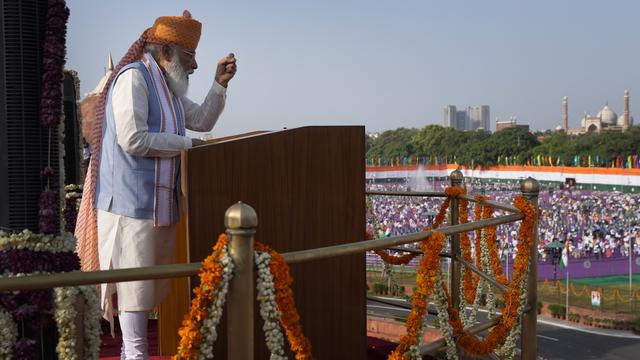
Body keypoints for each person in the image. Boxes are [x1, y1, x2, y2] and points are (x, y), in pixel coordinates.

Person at [75, 10, 236, 359]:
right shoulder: (134, 79)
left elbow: (201, 119)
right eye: (190, 58)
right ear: (167, 53)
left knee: (142, 302)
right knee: (134, 317)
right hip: (129, 212)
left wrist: (219, 84)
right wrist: (192, 146)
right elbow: (134, 139)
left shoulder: (168, 86)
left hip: (154, 209)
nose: (194, 67)